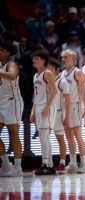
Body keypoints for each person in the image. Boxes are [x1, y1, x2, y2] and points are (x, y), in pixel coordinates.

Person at [61, 49, 85, 173]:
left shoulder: (77, 72)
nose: (63, 59)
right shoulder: (62, 73)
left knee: (78, 136)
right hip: (65, 106)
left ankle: (83, 164)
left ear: (73, 59)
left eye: (66, 57)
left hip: (75, 105)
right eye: (62, 57)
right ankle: (72, 162)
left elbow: (84, 92)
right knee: (69, 137)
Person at [30, 50, 57, 175]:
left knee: (43, 137)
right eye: (33, 58)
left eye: (37, 58)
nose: (34, 60)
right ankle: (50, 165)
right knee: (44, 137)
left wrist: (47, 107)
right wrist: (33, 111)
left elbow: (54, 91)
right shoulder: (35, 76)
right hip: (39, 107)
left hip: (48, 107)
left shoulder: (48, 73)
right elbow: (36, 96)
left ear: (43, 60)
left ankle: (45, 164)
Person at [0, 42, 24, 176]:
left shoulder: (11, 64)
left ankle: (18, 167)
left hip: (12, 102)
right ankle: (7, 165)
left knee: (13, 133)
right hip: (0, 102)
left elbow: (12, 75)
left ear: (9, 53)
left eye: (2, 50)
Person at [47, 57, 70, 174]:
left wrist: (67, 117)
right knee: (45, 139)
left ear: (56, 69)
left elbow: (68, 100)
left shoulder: (62, 81)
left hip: (59, 112)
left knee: (60, 139)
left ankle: (62, 163)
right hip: (47, 112)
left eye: (50, 68)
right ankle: (48, 163)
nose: (48, 70)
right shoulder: (46, 80)